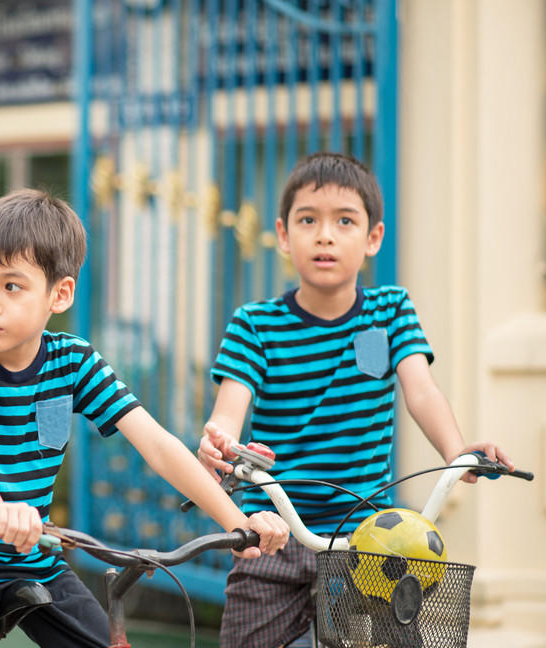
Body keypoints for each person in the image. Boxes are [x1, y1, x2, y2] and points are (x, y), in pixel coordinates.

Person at [0, 188, 290, 647]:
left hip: (31, 555)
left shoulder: (73, 363)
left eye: (11, 286)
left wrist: (237, 521)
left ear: (60, 294)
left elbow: (159, 446)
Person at [197, 151, 516, 648]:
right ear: (283, 234)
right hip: (274, 531)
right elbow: (228, 414)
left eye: (345, 221)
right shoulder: (254, 325)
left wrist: (455, 453)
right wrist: (221, 443)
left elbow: (421, 390)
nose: (325, 234)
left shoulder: (390, 311)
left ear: (372, 239)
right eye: (308, 220)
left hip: (370, 540)